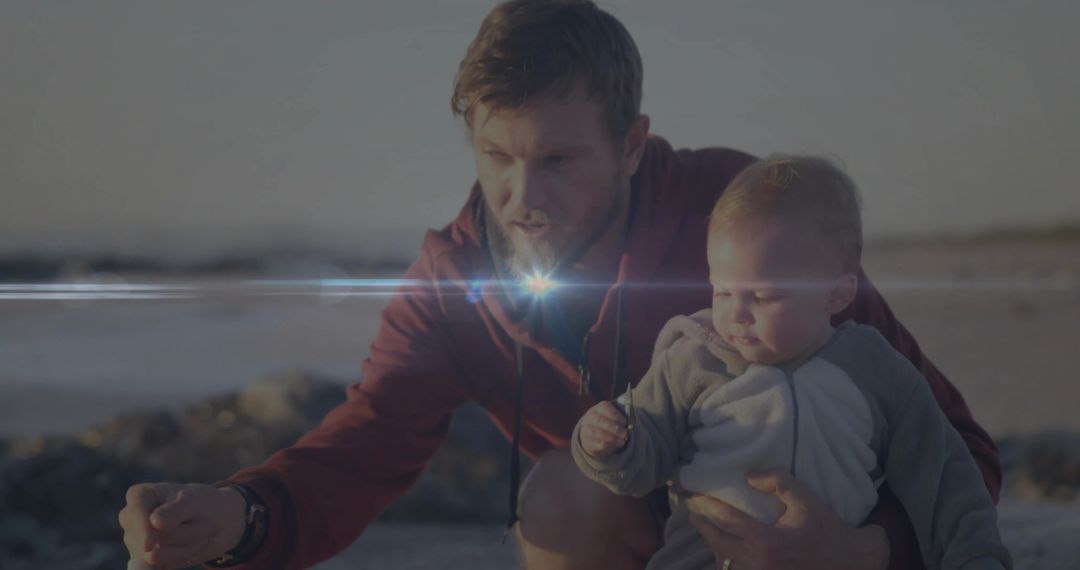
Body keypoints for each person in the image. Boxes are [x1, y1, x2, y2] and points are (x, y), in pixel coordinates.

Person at [118, 1, 1002, 569]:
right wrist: (239, 516)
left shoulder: (739, 218)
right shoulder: (457, 275)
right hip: (655, 538)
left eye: (558, 159)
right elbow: (369, 441)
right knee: (563, 494)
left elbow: (962, 449)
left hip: (831, 537)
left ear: (632, 143)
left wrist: (861, 550)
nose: (522, 197)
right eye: (496, 158)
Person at [572, 156, 1012, 570]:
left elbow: (944, 476)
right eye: (722, 291)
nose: (736, 313)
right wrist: (610, 442)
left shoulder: (875, 370)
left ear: (836, 295)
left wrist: (976, 559)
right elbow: (642, 459)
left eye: (763, 297)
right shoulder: (694, 360)